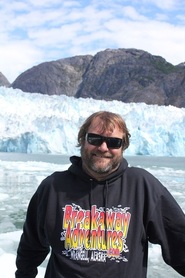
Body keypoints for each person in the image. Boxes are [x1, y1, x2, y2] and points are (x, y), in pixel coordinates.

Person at [15, 111, 185, 278]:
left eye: (114, 142)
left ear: (123, 146)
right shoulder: (53, 187)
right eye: (95, 139)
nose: (103, 147)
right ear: (82, 140)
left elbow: (178, 241)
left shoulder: (141, 185)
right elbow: (31, 247)